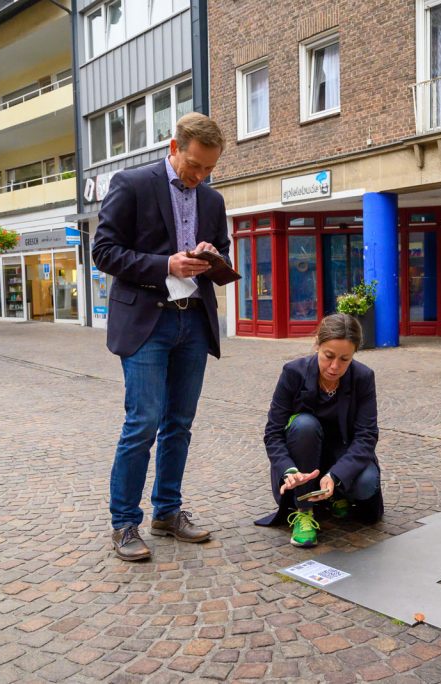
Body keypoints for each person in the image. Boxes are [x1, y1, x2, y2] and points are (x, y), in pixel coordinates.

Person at [92, 113, 230, 562]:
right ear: (175, 147)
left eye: (209, 169)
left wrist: (212, 256)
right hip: (148, 322)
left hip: (193, 320)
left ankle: (167, 513)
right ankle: (124, 523)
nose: (200, 176)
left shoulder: (211, 199)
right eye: (194, 165)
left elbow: (222, 253)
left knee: (179, 425)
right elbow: (104, 251)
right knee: (143, 422)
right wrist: (165, 265)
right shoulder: (131, 183)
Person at [256, 313, 383, 547]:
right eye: (328, 356)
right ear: (317, 344)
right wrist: (288, 469)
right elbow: (273, 432)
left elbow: (367, 436)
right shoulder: (293, 373)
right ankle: (304, 510)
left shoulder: (363, 377)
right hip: (301, 456)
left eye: (345, 359)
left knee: (366, 484)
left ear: (355, 353)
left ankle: (335, 492)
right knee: (304, 424)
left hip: (342, 456)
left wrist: (336, 475)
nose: (335, 367)